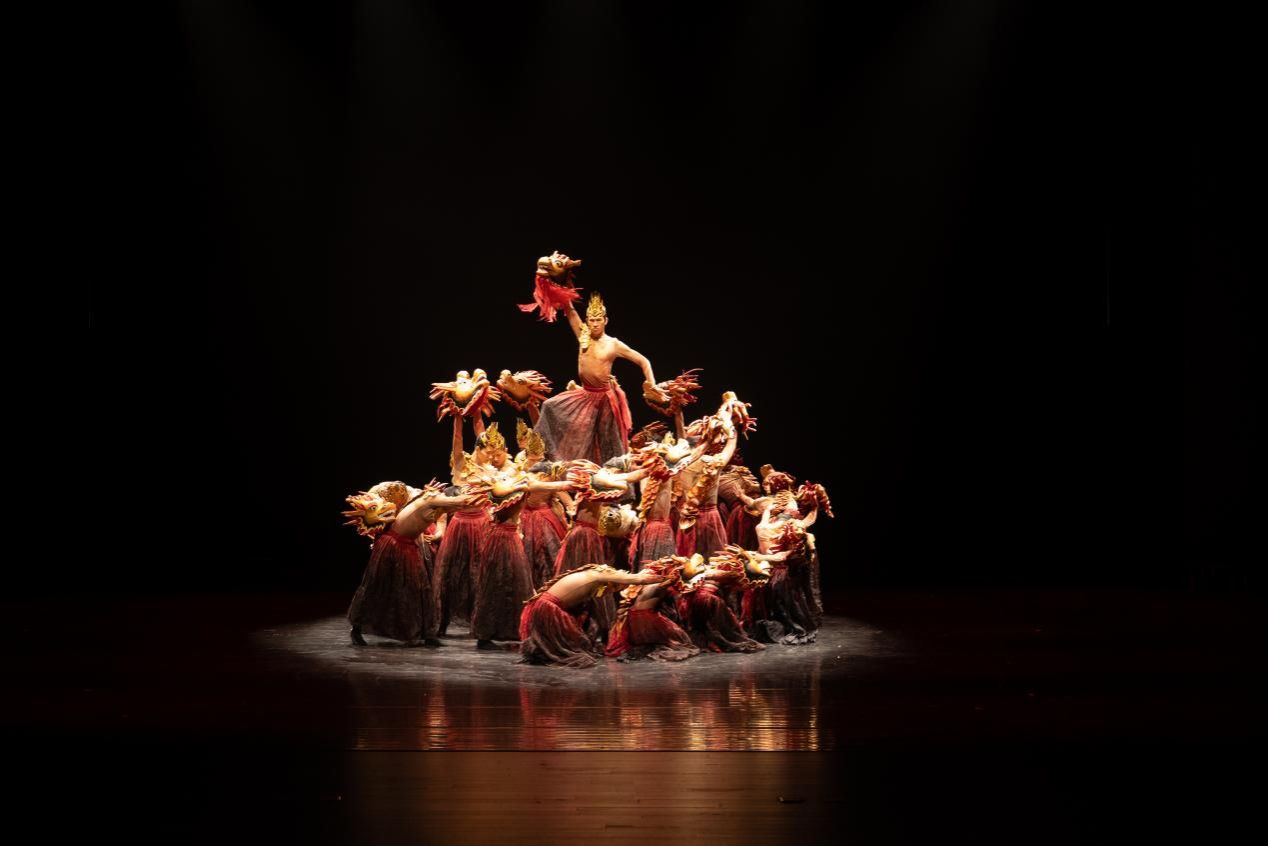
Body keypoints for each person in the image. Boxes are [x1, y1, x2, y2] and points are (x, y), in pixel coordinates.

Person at [525, 251, 670, 463]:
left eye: (598, 320)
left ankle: (614, 474)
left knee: (607, 439)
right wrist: (551, 282)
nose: (593, 324)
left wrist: (652, 383)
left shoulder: (613, 344)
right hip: (584, 394)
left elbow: (643, 361)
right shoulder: (583, 334)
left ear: (605, 320)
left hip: (604, 398)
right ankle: (543, 457)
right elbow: (568, 308)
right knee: (549, 407)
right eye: (591, 320)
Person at [343, 480, 475, 646]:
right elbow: (463, 501)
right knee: (377, 587)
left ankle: (427, 634)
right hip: (393, 545)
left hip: (408, 545)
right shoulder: (432, 498)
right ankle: (357, 628)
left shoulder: (433, 501)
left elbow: (452, 510)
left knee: (420, 588)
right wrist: (483, 490)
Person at [518, 564, 661, 668]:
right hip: (549, 610)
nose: (611, 591)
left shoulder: (593, 574)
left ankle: (544, 654)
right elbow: (638, 579)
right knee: (575, 649)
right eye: (615, 587)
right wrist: (663, 577)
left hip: (546, 607)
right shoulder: (599, 575)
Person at [604, 557, 700, 662]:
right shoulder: (662, 583)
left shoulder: (644, 582)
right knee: (681, 638)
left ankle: (645, 644)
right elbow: (676, 586)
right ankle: (650, 644)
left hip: (632, 616)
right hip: (647, 617)